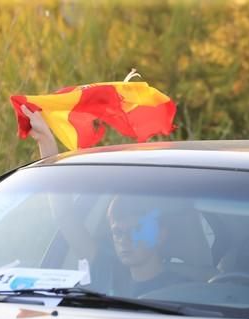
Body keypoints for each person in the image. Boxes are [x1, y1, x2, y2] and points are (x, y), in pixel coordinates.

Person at [21, 107, 183, 297]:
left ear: (160, 235)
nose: (125, 240)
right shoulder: (106, 269)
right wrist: (46, 143)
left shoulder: (181, 288)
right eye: (118, 232)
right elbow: (64, 216)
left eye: (135, 230)